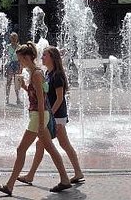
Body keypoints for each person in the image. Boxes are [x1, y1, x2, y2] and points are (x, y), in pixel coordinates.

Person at [0, 42, 72, 196]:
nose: (19, 62)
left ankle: (9, 185)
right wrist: (24, 87)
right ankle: (65, 179)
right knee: (51, 149)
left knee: (21, 149)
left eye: (20, 59)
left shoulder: (36, 74)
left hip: (38, 116)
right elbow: (36, 95)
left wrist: (42, 124)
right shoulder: (36, 73)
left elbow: (42, 100)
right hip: (38, 115)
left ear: (27, 57)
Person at [17, 46, 84, 185]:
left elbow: (60, 98)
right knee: (41, 144)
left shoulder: (57, 75)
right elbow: (42, 93)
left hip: (57, 114)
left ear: (52, 57)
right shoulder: (48, 73)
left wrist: (50, 115)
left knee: (63, 144)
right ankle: (31, 175)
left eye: (45, 55)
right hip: (50, 113)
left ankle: (76, 172)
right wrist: (24, 87)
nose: (42, 58)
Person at [4, 32, 21, 105]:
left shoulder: (19, 47)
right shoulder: (8, 47)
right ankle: (7, 98)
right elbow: (4, 57)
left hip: (16, 64)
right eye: (12, 37)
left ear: (17, 38)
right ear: (10, 38)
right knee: (9, 82)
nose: (13, 39)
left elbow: (21, 58)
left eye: (15, 37)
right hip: (10, 65)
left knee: (16, 82)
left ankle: (17, 98)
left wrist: (21, 67)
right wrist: (3, 66)